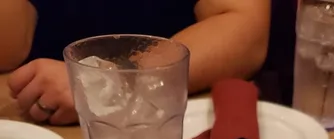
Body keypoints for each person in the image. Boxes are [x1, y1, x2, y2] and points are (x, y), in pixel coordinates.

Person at [3, 0, 270, 125]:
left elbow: (244, 26)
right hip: (35, 124)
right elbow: (10, 45)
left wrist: (112, 82)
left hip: (165, 128)